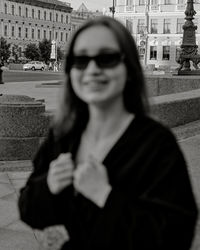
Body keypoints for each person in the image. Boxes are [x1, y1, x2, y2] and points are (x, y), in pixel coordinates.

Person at [18, 16, 198, 250]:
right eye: (80, 60)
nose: (92, 70)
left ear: (130, 68)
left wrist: (104, 195)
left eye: (107, 58)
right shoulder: (63, 134)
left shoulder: (156, 144)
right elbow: (28, 209)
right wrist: (48, 185)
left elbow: (176, 236)